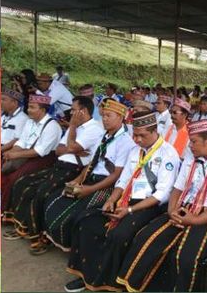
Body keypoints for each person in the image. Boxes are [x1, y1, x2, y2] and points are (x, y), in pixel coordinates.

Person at [116, 119, 207, 292]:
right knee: (147, 238)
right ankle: (135, 287)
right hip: (182, 207)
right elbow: (177, 188)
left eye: (194, 141)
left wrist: (195, 220)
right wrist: (172, 210)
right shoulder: (192, 158)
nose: (190, 146)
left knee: (187, 257)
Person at [64, 111, 180, 292]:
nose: (138, 139)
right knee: (86, 220)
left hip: (148, 204)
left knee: (119, 235)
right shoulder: (135, 151)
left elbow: (162, 194)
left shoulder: (168, 153)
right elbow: (123, 180)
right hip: (125, 199)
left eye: (143, 135)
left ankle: (109, 281)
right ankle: (86, 274)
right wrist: (111, 199)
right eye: (135, 135)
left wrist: (130, 210)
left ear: (155, 130)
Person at [3, 96, 104, 254]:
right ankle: (23, 226)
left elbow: (70, 147)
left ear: (82, 111)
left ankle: (39, 238)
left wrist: (72, 128)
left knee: (41, 194)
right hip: (59, 164)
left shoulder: (94, 129)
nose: (70, 112)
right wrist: (72, 145)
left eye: (73, 109)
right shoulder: (74, 127)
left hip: (73, 169)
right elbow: (60, 149)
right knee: (23, 183)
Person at [43, 100, 135, 252]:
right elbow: (92, 163)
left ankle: (71, 247)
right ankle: (56, 239)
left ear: (120, 117)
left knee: (76, 213)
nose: (104, 119)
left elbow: (116, 174)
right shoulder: (104, 137)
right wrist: (77, 180)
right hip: (91, 177)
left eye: (109, 116)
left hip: (106, 184)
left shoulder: (125, 142)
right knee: (55, 199)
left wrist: (90, 189)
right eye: (103, 115)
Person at [1, 94, 62, 208]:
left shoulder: (52, 126)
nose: (28, 110)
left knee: (14, 178)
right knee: (3, 169)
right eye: (28, 107)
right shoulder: (29, 122)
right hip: (25, 154)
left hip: (43, 159)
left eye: (32, 107)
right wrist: (11, 153)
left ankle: (6, 210)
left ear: (43, 110)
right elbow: (22, 141)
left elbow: (40, 151)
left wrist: (16, 155)